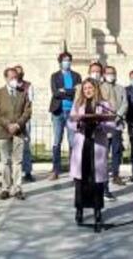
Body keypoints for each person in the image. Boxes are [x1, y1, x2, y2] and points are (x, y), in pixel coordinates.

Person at [69, 78, 117, 232]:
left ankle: (97, 210)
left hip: (97, 145)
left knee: (97, 182)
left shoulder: (104, 104)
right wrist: (78, 123)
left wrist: (101, 125)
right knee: (81, 181)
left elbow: (112, 124)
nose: (87, 91)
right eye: (85, 88)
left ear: (95, 89)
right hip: (82, 144)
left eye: (90, 88)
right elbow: (70, 122)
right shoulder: (78, 104)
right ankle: (79, 210)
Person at [0, 67, 32, 201]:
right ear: (6, 78)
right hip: (4, 131)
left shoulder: (23, 92)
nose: (14, 80)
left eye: (16, 77)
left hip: (19, 132)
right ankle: (5, 188)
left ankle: (17, 188)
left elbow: (27, 111)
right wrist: (8, 125)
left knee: (17, 161)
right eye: (12, 77)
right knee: (5, 161)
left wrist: (18, 125)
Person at [49, 51, 78, 180]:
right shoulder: (54, 76)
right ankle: (56, 170)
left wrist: (64, 90)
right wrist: (69, 91)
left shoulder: (76, 76)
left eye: (69, 60)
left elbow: (77, 92)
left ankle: (74, 169)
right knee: (57, 140)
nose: (67, 62)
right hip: (58, 111)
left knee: (72, 141)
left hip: (72, 111)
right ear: (60, 62)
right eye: (65, 60)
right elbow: (55, 93)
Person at [104, 65, 128, 188]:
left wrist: (118, 116)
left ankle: (116, 174)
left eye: (112, 73)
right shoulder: (100, 88)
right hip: (104, 125)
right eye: (108, 73)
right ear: (104, 75)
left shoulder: (120, 88)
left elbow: (125, 103)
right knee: (104, 151)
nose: (111, 75)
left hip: (117, 124)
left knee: (116, 151)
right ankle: (103, 174)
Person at [14, 64, 35, 183]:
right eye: (16, 72)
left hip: (25, 119)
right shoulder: (10, 85)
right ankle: (14, 172)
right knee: (13, 146)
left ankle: (28, 171)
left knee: (26, 145)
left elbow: (30, 102)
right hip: (13, 119)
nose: (18, 74)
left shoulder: (28, 86)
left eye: (20, 72)